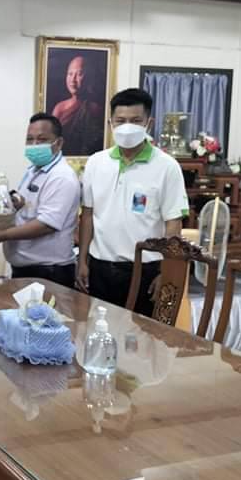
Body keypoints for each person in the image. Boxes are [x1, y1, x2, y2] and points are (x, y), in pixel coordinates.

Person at [76, 87, 189, 316]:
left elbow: (173, 223)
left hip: (145, 270)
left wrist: (166, 271)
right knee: (99, 329)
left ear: (149, 123)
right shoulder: (96, 163)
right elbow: (87, 215)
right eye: (120, 121)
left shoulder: (167, 167)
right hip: (100, 267)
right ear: (110, 123)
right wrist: (82, 260)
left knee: (140, 334)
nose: (127, 127)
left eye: (136, 121)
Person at [0, 113, 81, 288]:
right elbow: (28, 206)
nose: (34, 145)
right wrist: (14, 203)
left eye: (42, 139)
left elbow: (46, 224)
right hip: (27, 269)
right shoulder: (34, 171)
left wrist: (1, 235)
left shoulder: (62, 177)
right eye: (30, 139)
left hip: (49, 272)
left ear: (59, 143)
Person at [50, 54, 106, 157]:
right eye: (70, 74)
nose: (73, 79)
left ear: (89, 77)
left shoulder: (95, 109)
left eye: (79, 74)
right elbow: (51, 142)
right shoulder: (60, 108)